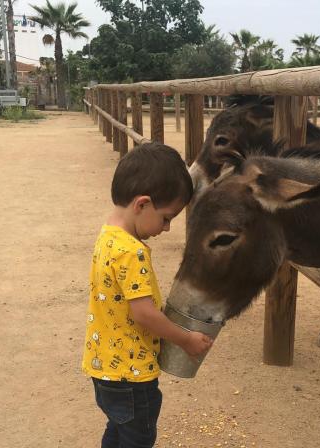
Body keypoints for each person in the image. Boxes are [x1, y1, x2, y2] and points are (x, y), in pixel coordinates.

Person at [82, 142, 213, 448]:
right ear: (142, 204)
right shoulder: (132, 251)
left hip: (104, 369)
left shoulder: (108, 236)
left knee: (118, 429)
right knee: (138, 437)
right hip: (131, 374)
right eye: (167, 218)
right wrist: (186, 339)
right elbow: (142, 313)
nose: (166, 229)